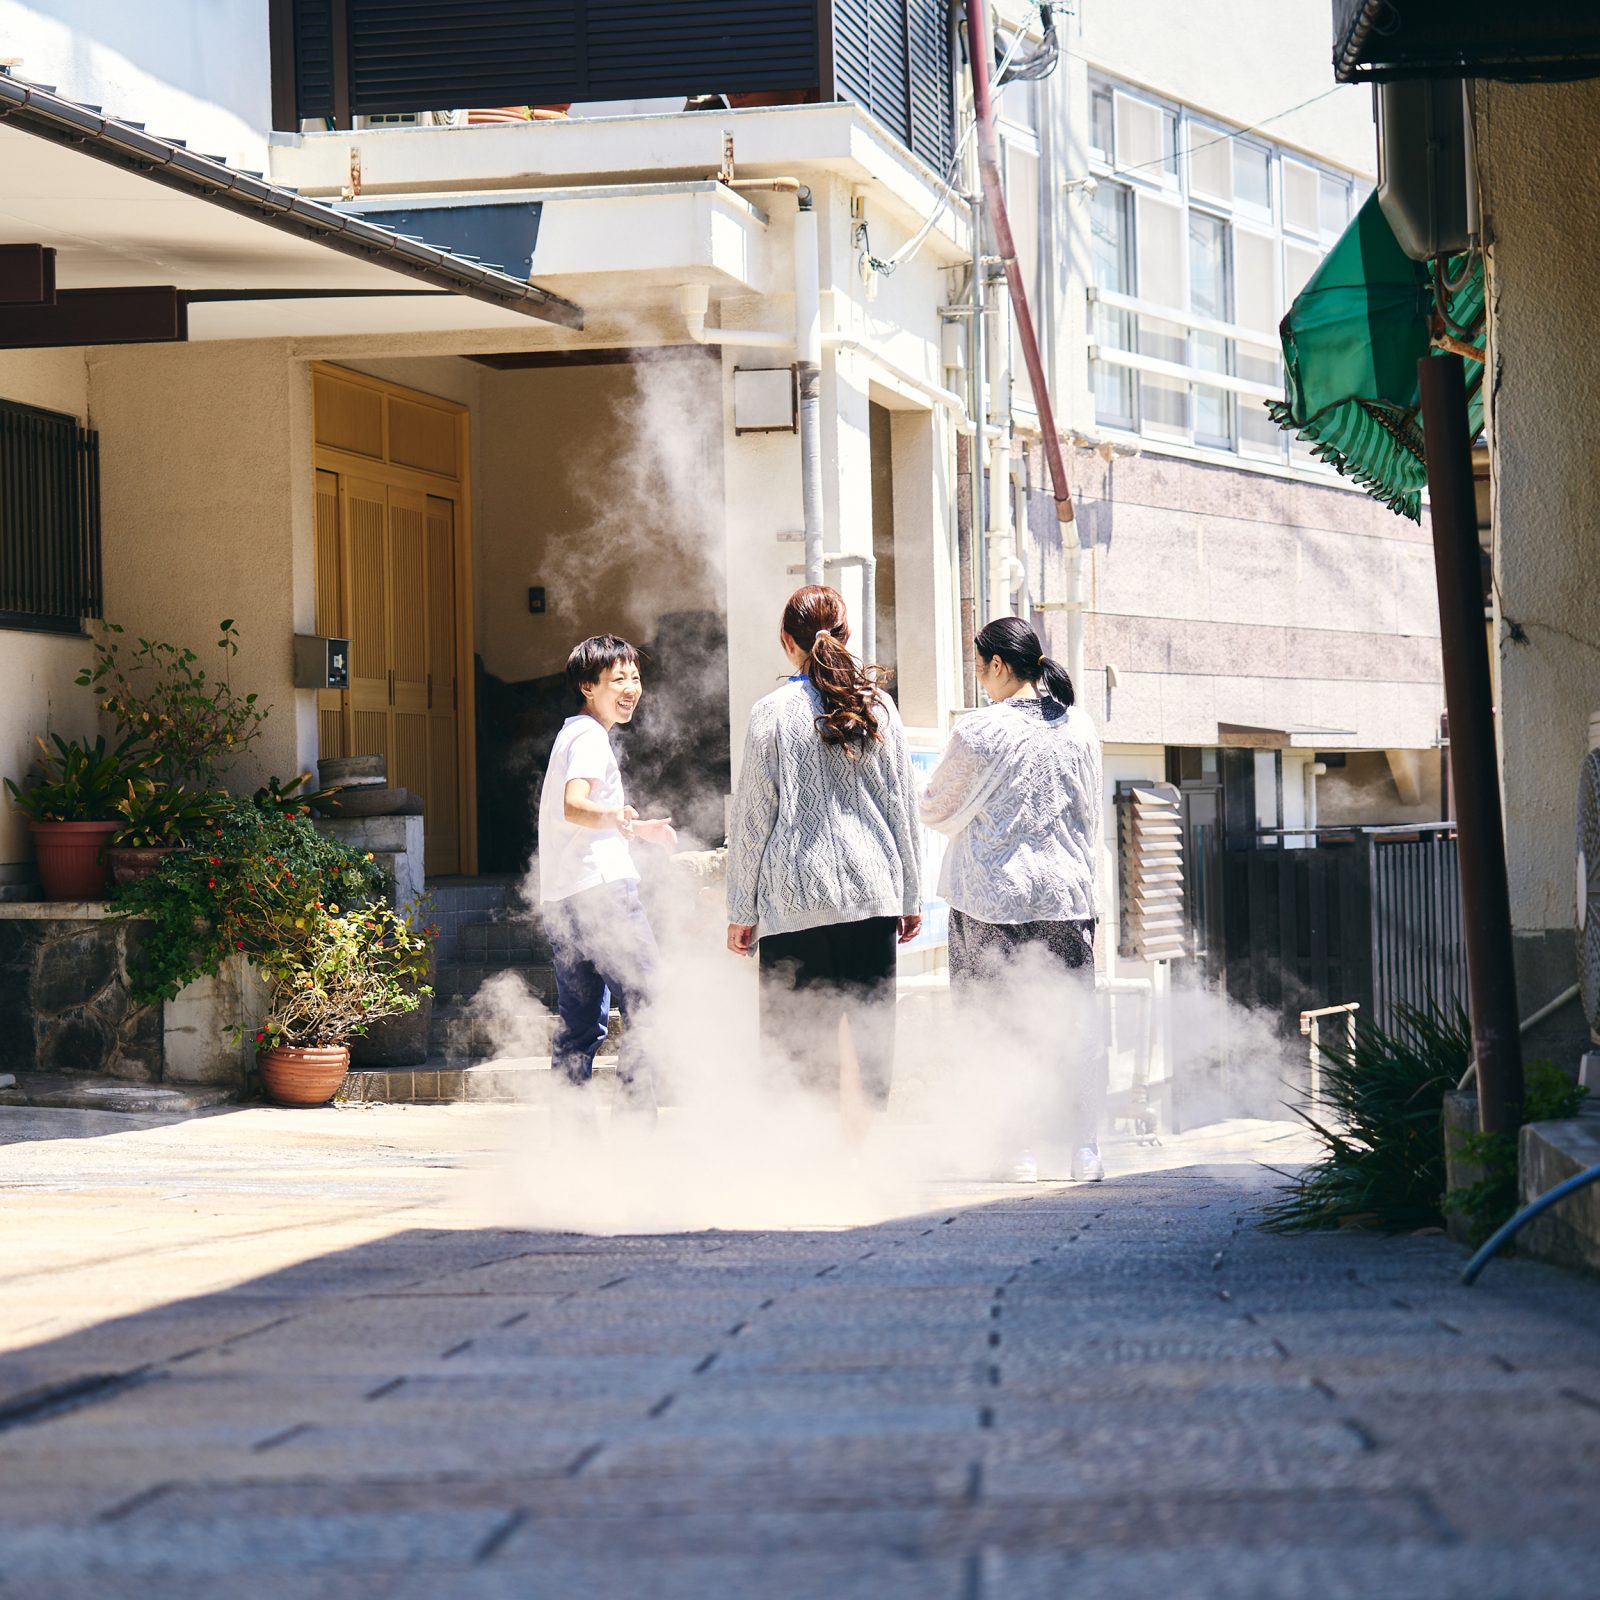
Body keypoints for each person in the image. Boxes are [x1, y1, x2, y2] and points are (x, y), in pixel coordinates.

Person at [918, 616, 1105, 1181]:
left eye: (980, 667)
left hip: (992, 900)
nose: (980, 679)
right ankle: (1083, 1150)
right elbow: (1090, 814)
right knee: (1072, 1024)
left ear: (999, 666)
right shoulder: (1080, 727)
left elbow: (935, 808)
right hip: (1067, 898)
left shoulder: (981, 730)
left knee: (995, 1025)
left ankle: (1017, 1150)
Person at [725, 585, 922, 1117]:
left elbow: (753, 817)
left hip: (794, 900)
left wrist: (741, 911)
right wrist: (910, 895)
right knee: (871, 1046)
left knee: (797, 1055)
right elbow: (902, 804)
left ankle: (809, 1173)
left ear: (786, 641)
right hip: (873, 895)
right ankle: (865, 1167)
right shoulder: (878, 706)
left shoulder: (771, 712)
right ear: (846, 636)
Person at [537, 635, 676, 1116]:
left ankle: (570, 1145)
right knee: (650, 1000)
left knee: (579, 1027)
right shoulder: (590, 737)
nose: (631, 688)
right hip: (603, 895)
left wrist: (633, 827)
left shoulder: (571, 734)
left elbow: (579, 819)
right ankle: (639, 1127)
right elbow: (575, 806)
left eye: (635, 678)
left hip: (565, 898)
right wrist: (616, 815)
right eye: (618, 679)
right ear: (587, 685)